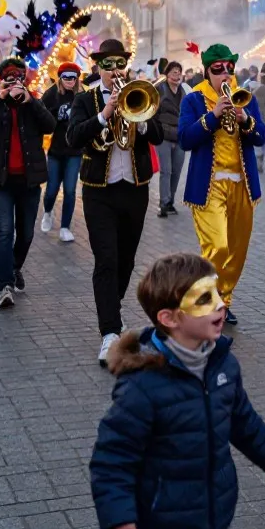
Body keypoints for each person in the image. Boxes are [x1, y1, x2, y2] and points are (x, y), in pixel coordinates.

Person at [89, 252, 265, 529]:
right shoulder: (141, 386)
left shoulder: (222, 364)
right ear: (169, 318)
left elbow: (240, 416)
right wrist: (121, 521)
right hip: (162, 519)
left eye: (217, 294)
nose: (220, 305)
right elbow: (111, 462)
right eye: (204, 299)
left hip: (215, 509)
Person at [66, 40, 165, 365]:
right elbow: (73, 136)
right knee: (106, 260)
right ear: (98, 68)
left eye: (118, 64)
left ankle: (112, 309)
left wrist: (141, 119)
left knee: (126, 261)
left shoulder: (143, 92)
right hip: (98, 190)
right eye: (107, 65)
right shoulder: (85, 98)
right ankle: (109, 330)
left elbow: (159, 135)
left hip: (134, 189)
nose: (114, 71)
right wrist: (104, 114)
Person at [178, 43, 265, 325]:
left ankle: (222, 301)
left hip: (242, 185)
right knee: (217, 247)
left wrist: (246, 119)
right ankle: (202, 302)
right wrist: (213, 115)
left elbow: (262, 137)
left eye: (229, 68)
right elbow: (185, 139)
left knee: (237, 251)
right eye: (218, 70)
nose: (225, 74)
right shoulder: (193, 99)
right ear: (208, 72)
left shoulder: (246, 97)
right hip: (209, 185)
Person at [0, 57, 56, 310]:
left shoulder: (33, 102)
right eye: (9, 78)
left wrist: (31, 102)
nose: (15, 82)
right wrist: (0, 98)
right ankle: (5, 285)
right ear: (1, 80)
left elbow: (50, 125)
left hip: (29, 180)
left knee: (27, 233)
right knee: (5, 232)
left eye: (19, 78)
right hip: (1, 181)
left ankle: (14, 267)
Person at [40, 62, 83, 242]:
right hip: (56, 150)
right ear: (60, 78)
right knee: (51, 190)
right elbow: (41, 118)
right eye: (66, 77)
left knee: (71, 190)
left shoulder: (82, 96)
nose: (70, 81)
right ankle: (48, 211)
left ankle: (65, 227)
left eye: (73, 77)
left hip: (74, 151)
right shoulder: (51, 95)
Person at [152, 60, 190, 217]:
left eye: (179, 72)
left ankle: (171, 201)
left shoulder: (185, 92)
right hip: (164, 136)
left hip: (180, 136)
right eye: (173, 72)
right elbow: (152, 112)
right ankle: (164, 203)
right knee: (166, 171)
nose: (177, 75)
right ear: (167, 75)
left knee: (176, 171)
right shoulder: (158, 90)